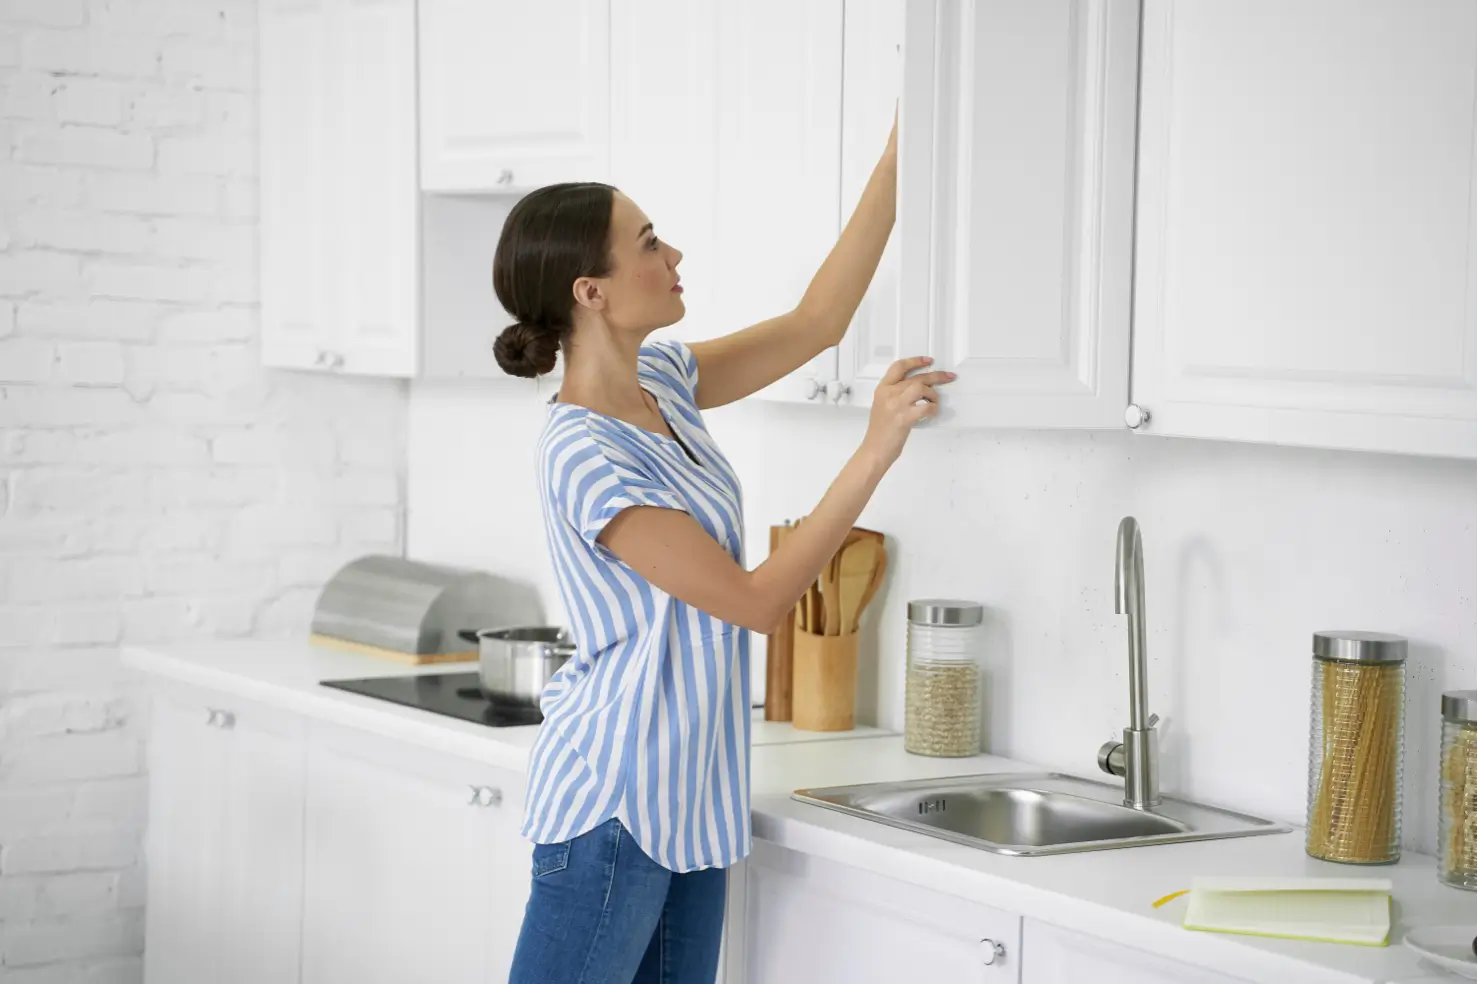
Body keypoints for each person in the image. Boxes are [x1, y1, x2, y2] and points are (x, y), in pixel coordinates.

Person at [494, 118, 953, 984]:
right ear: (592, 292)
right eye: (648, 243)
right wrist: (875, 449)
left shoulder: (663, 380)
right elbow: (754, 602)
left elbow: (818, 322)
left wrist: (900, 155)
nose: (673, 255)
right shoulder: (586, 452)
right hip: (614, 803)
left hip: (694, 798)